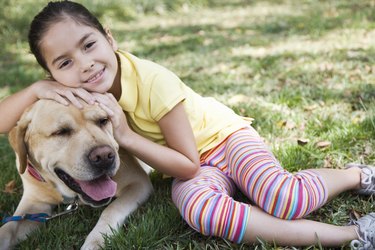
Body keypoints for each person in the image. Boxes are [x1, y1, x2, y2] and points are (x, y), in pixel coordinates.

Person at [0, 1, 374, 249]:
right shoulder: (61, 99)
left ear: (109, 38)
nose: (83, 65)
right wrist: (34, 89)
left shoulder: (153, 81)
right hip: (180, 167)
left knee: (282, 196)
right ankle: (353, 235)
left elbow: (188, 162)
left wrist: (126, 135)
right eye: (63, 63)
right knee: (201, 214)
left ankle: (356, 176)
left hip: (221, 141)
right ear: (50, 75)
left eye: (89, 45)